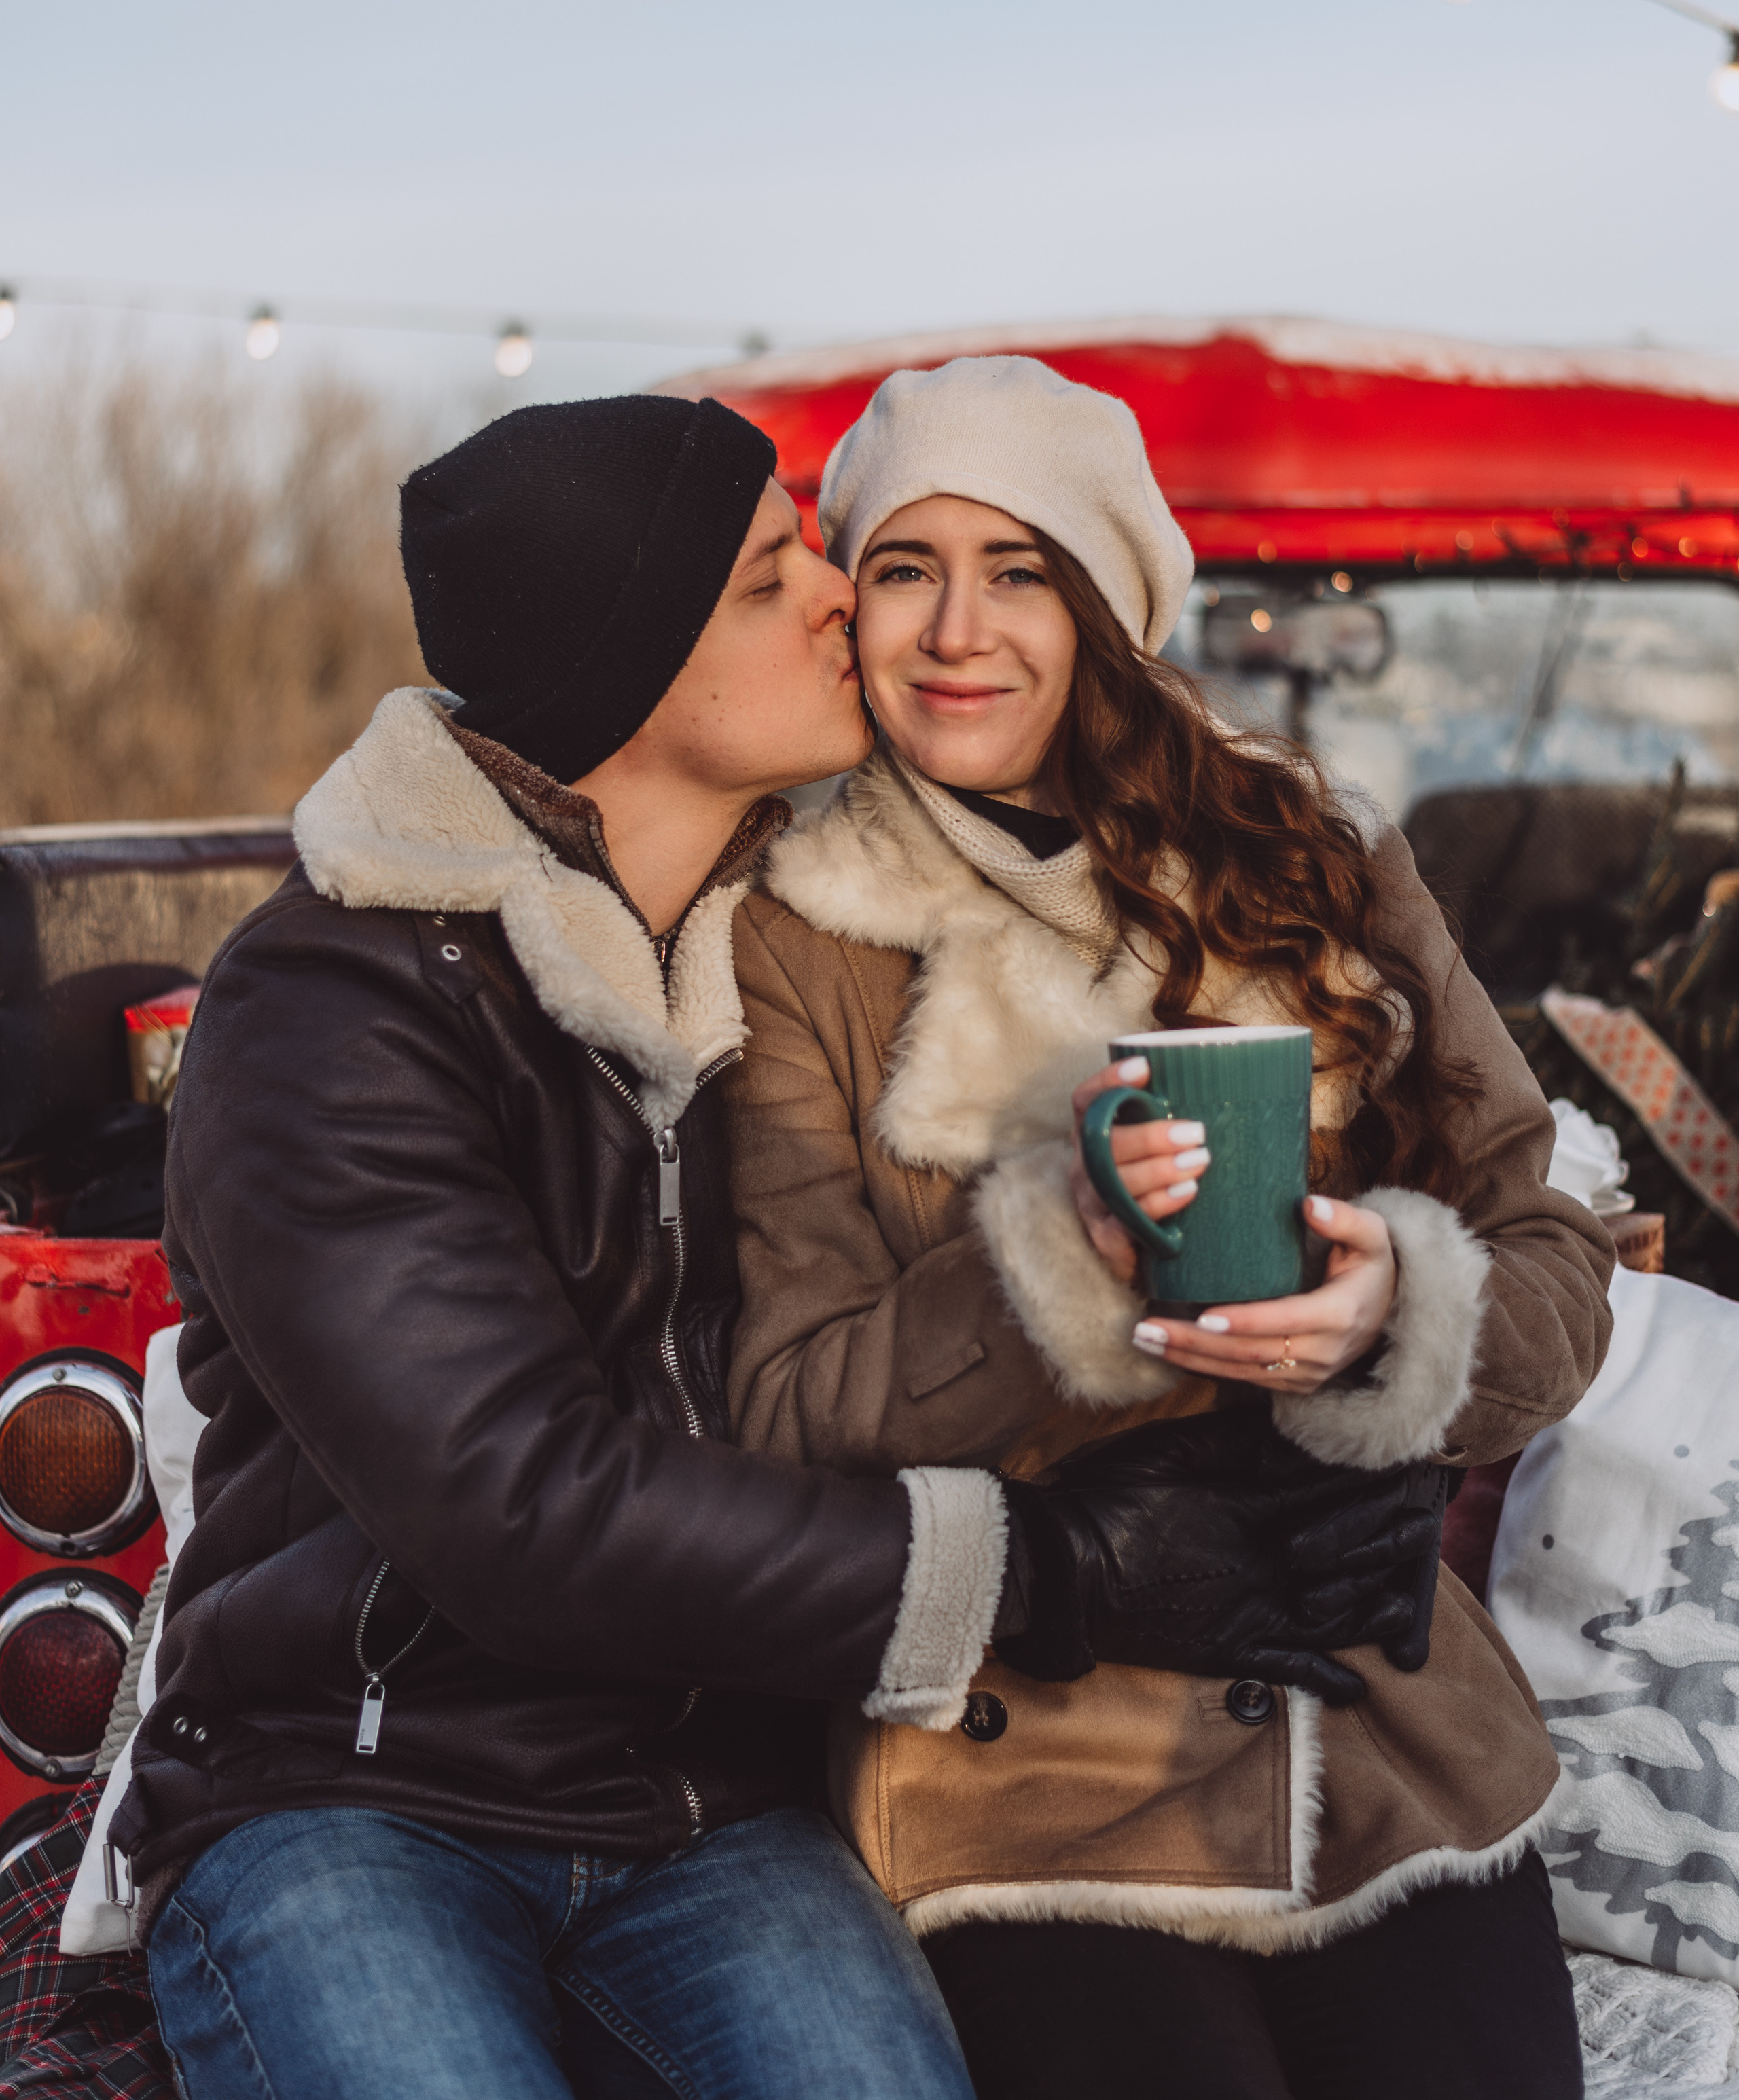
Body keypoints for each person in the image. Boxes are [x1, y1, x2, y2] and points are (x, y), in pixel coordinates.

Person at [107, 395, 1430, 2100]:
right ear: (626, 665)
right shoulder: (331, 1015)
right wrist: (1059, 1569)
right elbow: (525, 1512)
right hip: (359, 1797)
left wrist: (1315, 1343)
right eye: (766, 576)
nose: (835, 599)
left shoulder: (795, 951)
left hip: (716, 1796)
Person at [725, 355, 1613, 2100]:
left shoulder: (1319, 863)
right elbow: (781, 1402)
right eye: (904, 567)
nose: (954, 629)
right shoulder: (789, 931)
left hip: (1375, 1715)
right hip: (1017, 1762)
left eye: (1020, 568)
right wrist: (1055, 1241)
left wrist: (1393, 1327)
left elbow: (1549, 1256)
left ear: (1109, 602)